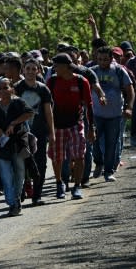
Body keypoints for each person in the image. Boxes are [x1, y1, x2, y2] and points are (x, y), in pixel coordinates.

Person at [47, 53, 95, 200]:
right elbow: (46, 106)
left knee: (80, 155)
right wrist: (49, 128)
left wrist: (92, 128)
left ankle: (77, 186)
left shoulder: (81, 81)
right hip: (57, 125)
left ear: (65, 66)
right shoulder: (52, 81)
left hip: (76, 124)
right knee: (57, 157)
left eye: (56, 65)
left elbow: (89, 105)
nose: (54, 68)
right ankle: (59, 183)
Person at [0, 78, 34, 216]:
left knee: (19, 172)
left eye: (6, 88)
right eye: (0, 88)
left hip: (18, 143)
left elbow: (29, 113)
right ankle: (12, 202)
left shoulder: (18, 102)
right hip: (1, 145)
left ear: (12, 89)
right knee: (6, 175)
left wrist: (13, 123)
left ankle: (16, 200)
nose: (3, 91)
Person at [90, 46, 134, 182]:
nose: (102, 62)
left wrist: (129, 108)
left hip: (115, 115)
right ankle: (98, 162)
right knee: (95, 142)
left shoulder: (119, 71)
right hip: (96, 114)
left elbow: (130, 90)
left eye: (105, 59)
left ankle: (108, 172)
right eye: (99, 59)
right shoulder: (92, 72)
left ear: (111, 59)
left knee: (111, 144)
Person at [14, 58, 55, 205]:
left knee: (40, 163)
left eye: (33, 69)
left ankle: (37, 195)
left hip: (40, 132)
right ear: (23, 70)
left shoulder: (43, 89)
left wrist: (52, 132)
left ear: (38, 70)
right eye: (28, 68)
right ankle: (22, 191)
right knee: (21, 163)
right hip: (21, 133)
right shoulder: (17, 88)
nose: (30, 71)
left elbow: (48, 112)